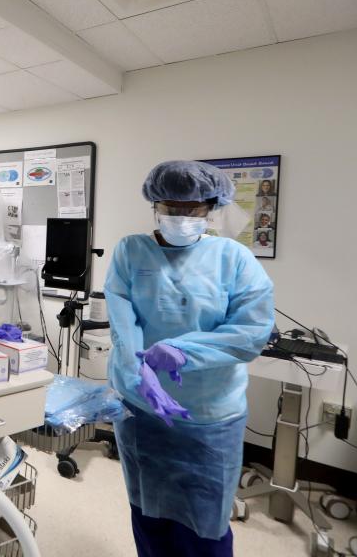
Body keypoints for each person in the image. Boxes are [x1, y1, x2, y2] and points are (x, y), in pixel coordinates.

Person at [105, 160, 274, 557]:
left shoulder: (234, 259)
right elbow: (122, 319)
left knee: (204, 524)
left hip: (208, 413)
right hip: (140, 406)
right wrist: (136, 370)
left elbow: (251, 332)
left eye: (192, 209)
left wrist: (184, 351)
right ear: (154, 205)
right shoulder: (130, 251)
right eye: (170, 207)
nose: (180, 216)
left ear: (211, 208)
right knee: (148, 511)